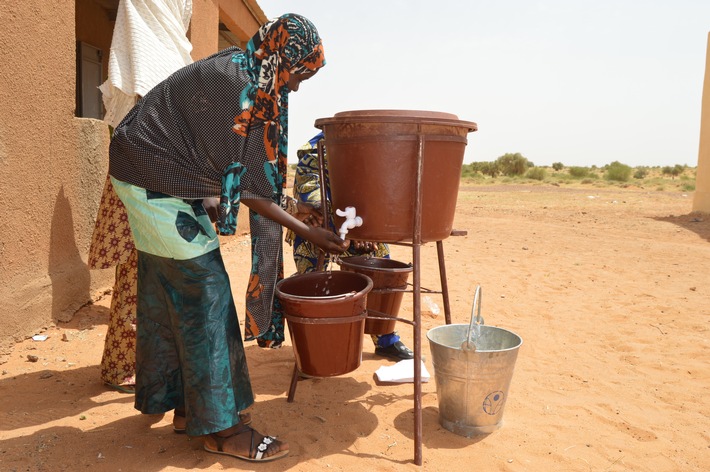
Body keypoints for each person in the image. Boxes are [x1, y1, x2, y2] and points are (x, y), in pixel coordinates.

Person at [107, 14, 347, 462]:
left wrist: (297, 210)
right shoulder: (236, 80)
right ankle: (224, 429)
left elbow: (234, 166)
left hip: (150, 171)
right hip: (152, 176)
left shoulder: (248, 72)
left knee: (169, 289)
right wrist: (307, 229)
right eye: (298, 74)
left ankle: (186, 407)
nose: (294, 87)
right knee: (207, 293)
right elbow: (253, 189)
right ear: (282, 56)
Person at [88, 0, 195, 394]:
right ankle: (122, 368)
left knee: (157, 278)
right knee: (137, 275)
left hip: (164, 188)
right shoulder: (150, 64)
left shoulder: (172, 56)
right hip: (144, 188)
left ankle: (150, 364)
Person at [287, 132, 415, 360]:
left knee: (380, 267)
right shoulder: (312, 152)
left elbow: (378, 194)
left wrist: (366, 229)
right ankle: (316, 348)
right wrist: (345, 228)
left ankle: (384, 337)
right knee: (313, 281)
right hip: (318, 226)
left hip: (359, 224)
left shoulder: (374, 152)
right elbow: (312, 201)